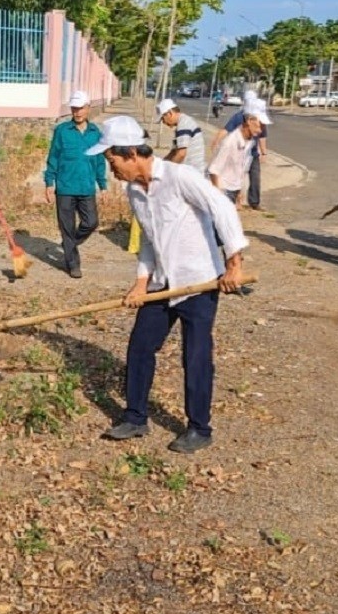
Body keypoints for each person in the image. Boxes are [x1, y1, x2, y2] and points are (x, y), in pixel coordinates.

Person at [89, 115, 247, 454]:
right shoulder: (134, 190)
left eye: (111, 159)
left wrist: (234, 262)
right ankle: (135, 417)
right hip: (162, 283)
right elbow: (149, 238)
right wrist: (141, 282)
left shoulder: (180, 177)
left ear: (131, 153)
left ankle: (199, 428)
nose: (110, 167)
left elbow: (222, 208)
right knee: (140, 347)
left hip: (199, 282)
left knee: (196, 355)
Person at [44, 90, 108, 278]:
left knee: (91, 222)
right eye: (74, 108)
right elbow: (53, 157)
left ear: (88, 108)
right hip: (64, 188)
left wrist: (103, 186)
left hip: (86, 187)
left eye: (81, 108)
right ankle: (73, 264)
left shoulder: (96, 132)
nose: (77, 112)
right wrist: (49, 182)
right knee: (67, 227)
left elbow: (99, 162)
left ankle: (69, 243)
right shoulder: (62, 131)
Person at [211, 91, 268, 209]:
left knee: (253, 176)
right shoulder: (231, 140)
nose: (261, 129)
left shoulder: (251, 141)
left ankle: (254, 202)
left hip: (234, 184)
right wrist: (218, 197)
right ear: (248, 121)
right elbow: (213, 171)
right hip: (223, 190)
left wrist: (263, 152)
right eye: (259, 125)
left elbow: (262, 138)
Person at [157, 97, 205, 175]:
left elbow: (181, 154)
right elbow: (174, 152)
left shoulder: (184, 124)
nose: (164, 122)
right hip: (189, 172)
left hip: (192, 174)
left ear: (170, 113)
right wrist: (162, 165)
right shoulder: (182, 124)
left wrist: (168, 171)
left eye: (163, 119)